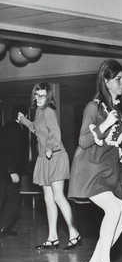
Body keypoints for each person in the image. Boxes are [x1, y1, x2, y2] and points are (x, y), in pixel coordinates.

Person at [68, 59, 122, 262]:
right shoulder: (93, 107)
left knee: (121, 220)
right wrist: (104, 126)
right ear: (106, 82)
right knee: (113, 210)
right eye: (118, 79)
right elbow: (83, 141)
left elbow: (111, 143)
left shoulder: (115, 108)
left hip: (108, 170)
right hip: (90, 169)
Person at [18, 83, 80, 250]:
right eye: (37, 95)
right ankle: (53, 237)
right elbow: (37, 130)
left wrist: (49, 148)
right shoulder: (39, 111)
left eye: (43, 96)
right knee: (48, 197)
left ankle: (74, 233)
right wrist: (23, 120)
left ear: (49, 97)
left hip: (55, 156)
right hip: (44, 158)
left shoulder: (49, 111)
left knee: (58, 196)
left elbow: (55, 134)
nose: (39, 99)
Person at [0, 104, 29, 236]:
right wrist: (12, 171)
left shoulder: (13, 127)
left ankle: (4, 227)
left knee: (11, 199)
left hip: (10, 171)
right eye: (26, 116)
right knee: (6, 199)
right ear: (20, 115)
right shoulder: (13, 128)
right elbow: (6, 150)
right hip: (8, 172)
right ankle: (4, 227)